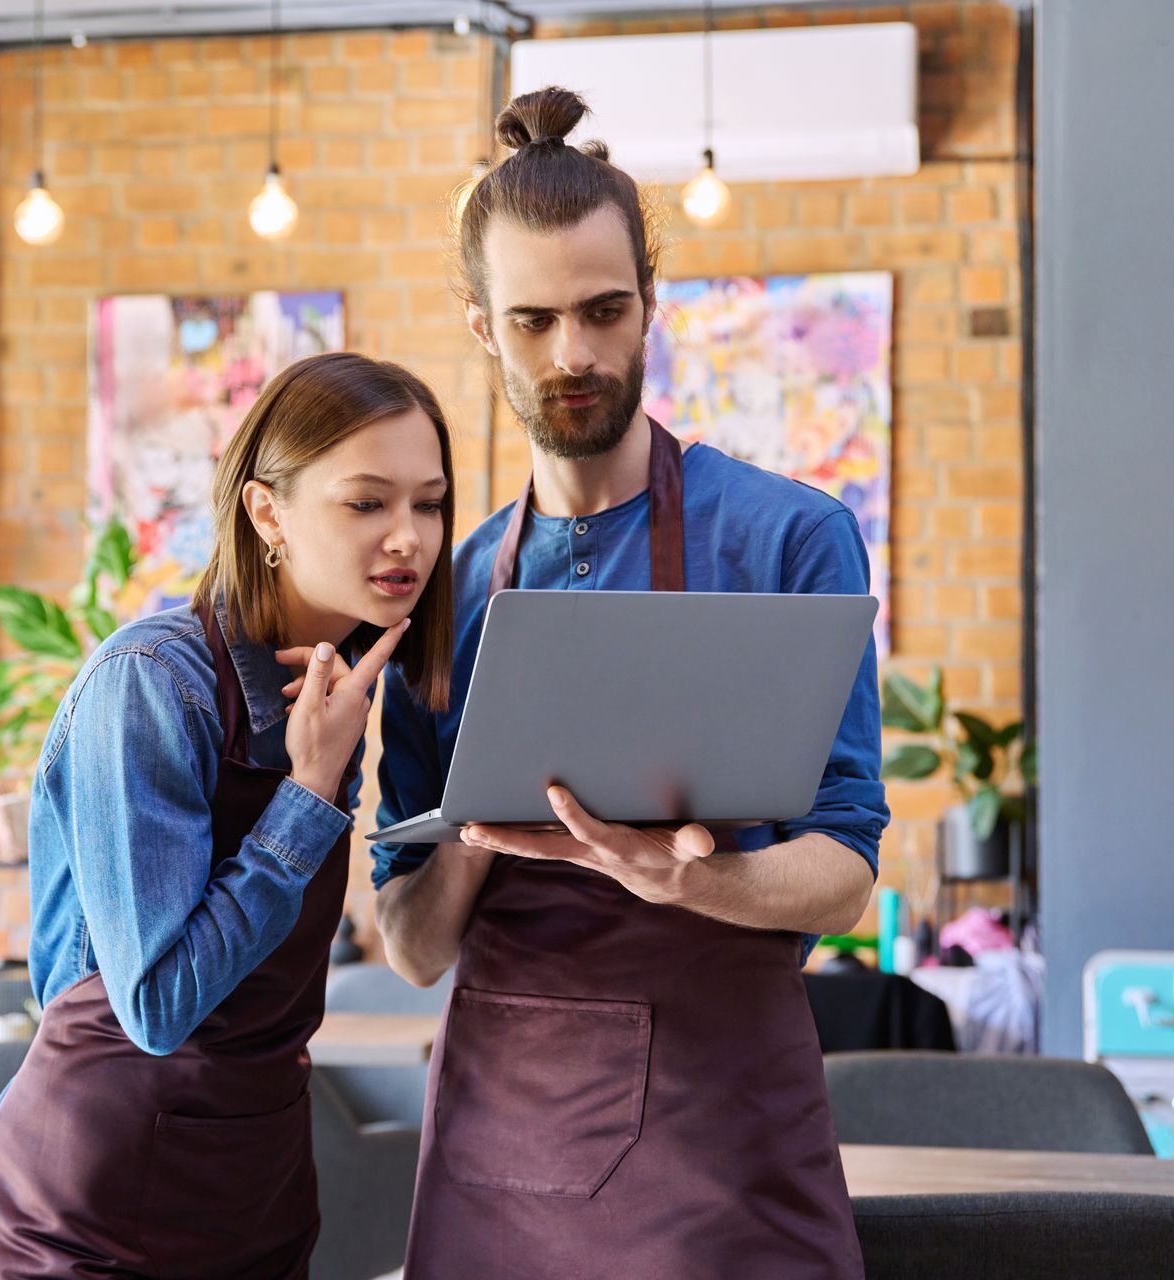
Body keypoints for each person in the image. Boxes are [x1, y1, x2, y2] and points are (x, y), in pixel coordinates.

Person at [372, 88, 889, 1278]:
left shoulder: (788, 540)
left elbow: (843, 876)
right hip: (504, 1144)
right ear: (481, 325)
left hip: (721, 1148)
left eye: (606, 310)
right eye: (535, 319)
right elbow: (410, 945)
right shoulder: (447, 591)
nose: (576, 353)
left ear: (651, 299)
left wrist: (683, 876)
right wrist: (483, 817)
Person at [0, 351, 457, 1279]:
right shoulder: (151, 683)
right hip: (87, 1212)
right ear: (266, 513)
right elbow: (156, 1007)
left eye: (430, 502)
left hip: (254, 1194)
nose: (409, 537)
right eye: (367, 502)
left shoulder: (340, 682)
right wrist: (306, 796)